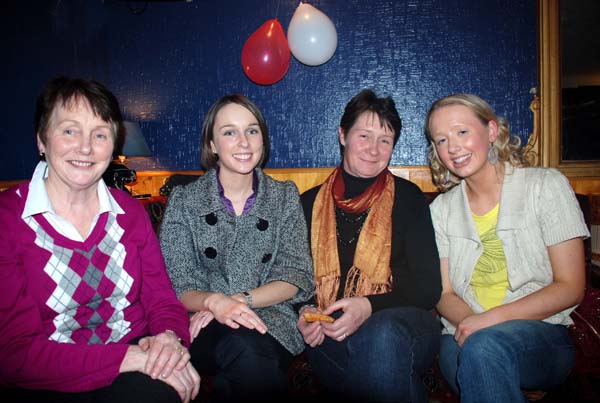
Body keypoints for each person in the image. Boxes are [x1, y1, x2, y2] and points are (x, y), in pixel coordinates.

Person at [0, 76, 200, 403]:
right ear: (41, 140)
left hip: (136, 360)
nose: (85, 147)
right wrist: (132, 358)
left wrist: (169, 341)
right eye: (70, 131)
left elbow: (162, 301)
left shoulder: (130, 212)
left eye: (100, 134)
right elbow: (15, 354)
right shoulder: (6, 220)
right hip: (50, 375)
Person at [425, 93, 589, 403]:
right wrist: (473, 324)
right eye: (442, 140)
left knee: (483, 349)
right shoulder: (441, 211)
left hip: (542, 333)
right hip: (462, 331)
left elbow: (570, 287)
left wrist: (490, 322)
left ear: (491, 131)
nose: (453, 147)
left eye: (462, 132)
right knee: (467, 354)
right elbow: (444, 294)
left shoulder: (545, 186)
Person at [159, 94, 314, 401]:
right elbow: (178, 283)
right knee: (244, 350)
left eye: (252, 131)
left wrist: (236, 301)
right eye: (229, 132)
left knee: (244, 355)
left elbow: (295, 274)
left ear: (262, 139)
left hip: (270, 318)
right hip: (204, 321)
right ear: (212, 144)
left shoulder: (284, 197)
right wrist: (213, 303)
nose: (244, 142)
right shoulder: (184, 200)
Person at [297, 89, 442, 402]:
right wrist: (305, 312)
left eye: (385, 140)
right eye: (364, 136)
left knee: (380, 334)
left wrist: (368, 306)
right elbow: (294, 280)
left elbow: (428, 289)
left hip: (405, 326)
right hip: (332, 332)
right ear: (343, 135)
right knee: (379, 369)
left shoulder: (409, 198)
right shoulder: (308, 204)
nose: (374, 150)